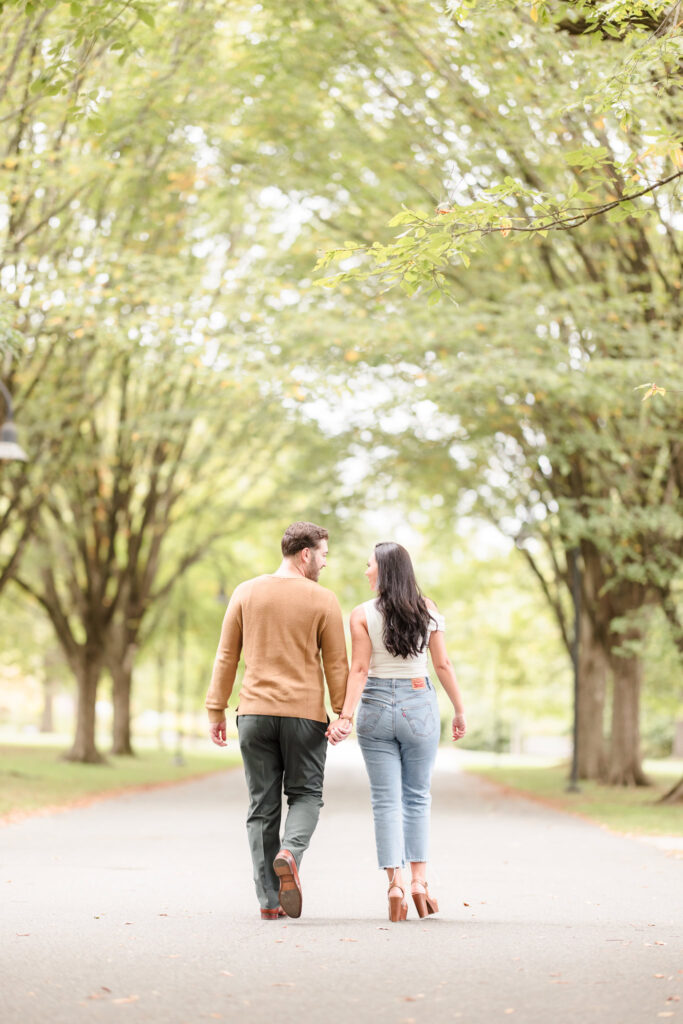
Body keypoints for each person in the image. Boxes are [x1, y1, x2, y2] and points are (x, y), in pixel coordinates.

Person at [206, 521, 349, 921]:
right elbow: (336, 661)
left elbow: (226, 656)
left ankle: (269, 901)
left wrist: (217, 708)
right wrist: (342, 713)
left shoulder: (245, 592)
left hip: (254, 713)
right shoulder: (323, 600)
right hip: (303, 716)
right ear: (306, 554)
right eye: (323, 554)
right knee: (305, 795)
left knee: (261, 807)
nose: (324, 562)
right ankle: (290, 853)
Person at [326, 541, 466, 922]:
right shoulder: (428, 611)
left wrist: (345, 717)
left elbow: (358, 669)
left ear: (385, 571)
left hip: (374, 707)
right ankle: (421, 883)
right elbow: (443, 664)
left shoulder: (361, 614)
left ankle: (396, 885)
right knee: (417, 797)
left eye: (369, 565)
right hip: (419, 703)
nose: (366, 571)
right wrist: (459, 708)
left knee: (386, 801)